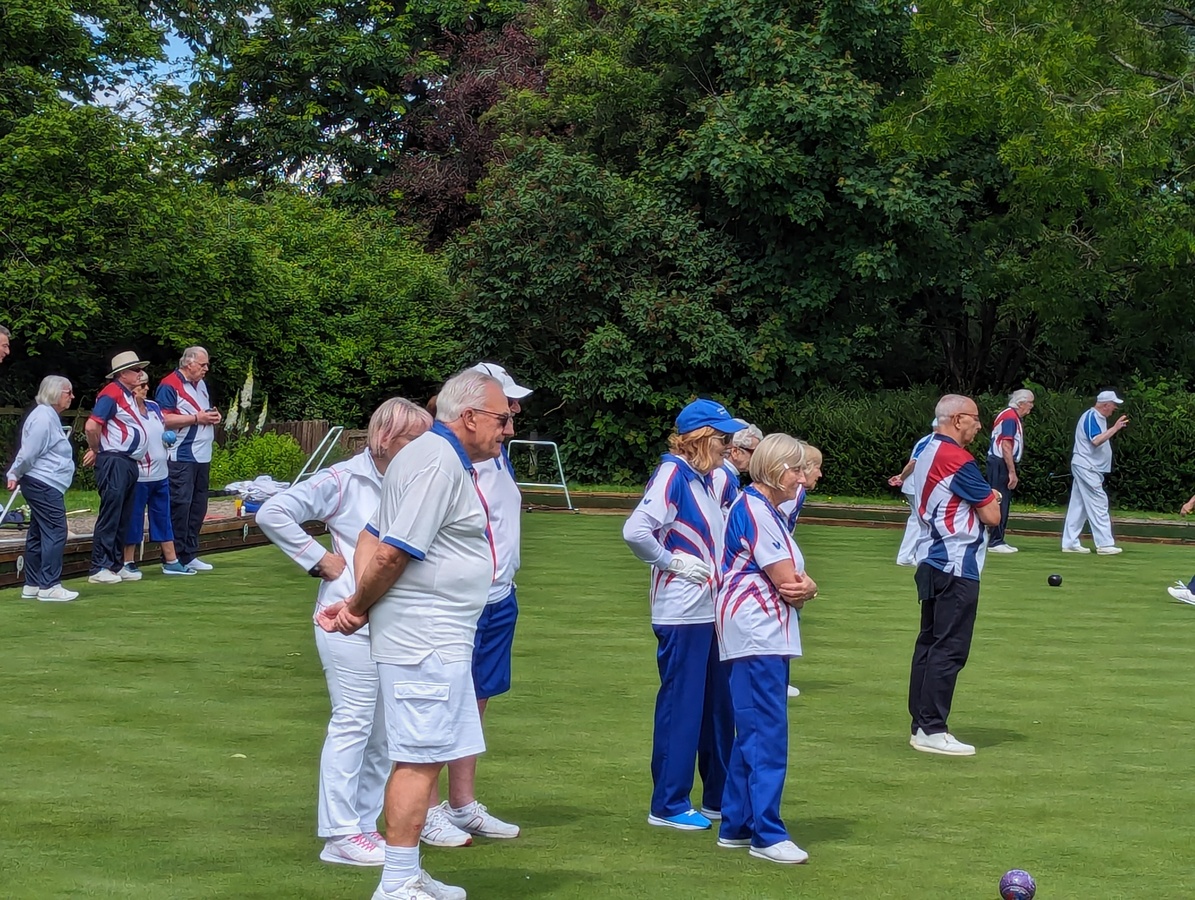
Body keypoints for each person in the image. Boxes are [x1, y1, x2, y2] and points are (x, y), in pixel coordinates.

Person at [318, 368, 513, 900]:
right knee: (418, 759)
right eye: (502, 417)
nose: (509, 429)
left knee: (423, 756)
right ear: (469, 416)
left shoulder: (432, 457)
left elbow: (370, 533)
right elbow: (390, 550)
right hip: (425, 639)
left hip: (435, 637)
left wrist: (355, 605)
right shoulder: (435, 462)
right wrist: (356, 608)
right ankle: (397, 880)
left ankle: (406, 869)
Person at [258, 398, 433, 869]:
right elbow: (273, 512)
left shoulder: (416, 482)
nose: (422, 448)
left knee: (381, 731)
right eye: (412, 439)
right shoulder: (344, 479)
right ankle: (339, 832)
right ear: (383, 438)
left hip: (394, 623)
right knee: (354, 721)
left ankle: (363, 825)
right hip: (343, 620)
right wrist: (316, 558)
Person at [622, 399, 745, 831]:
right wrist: (670, 562)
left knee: (718, 706)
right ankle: (668, 803)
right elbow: (635, 530)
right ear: (701, 438)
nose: (730, 447)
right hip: (681, 609)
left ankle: (717, 795)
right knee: (683, 705)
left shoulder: (708, 478)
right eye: (723, 438)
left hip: (708, 607)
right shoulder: (673, 473)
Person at [420, 362, 529, 849]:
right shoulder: (447, 457)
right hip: (459, 600)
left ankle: (461, 804)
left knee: (475, 701)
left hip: (499, 594)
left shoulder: (495, 450)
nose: (514, 413)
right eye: (506, 406)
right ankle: (423, 809)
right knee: (442, 702)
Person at [715, 434, 820, 865]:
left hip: (760, 629)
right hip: (757, 629)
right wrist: (807, 585)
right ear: (777, 473)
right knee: (767, 733)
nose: (802, 477)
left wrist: (803, 582)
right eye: (796, 469)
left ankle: (737, 824)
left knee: (752, 731)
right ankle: (766, 833)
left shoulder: (764, 508)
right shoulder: (756, 509)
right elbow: (789, 581)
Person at [907, 394, 1001, 757]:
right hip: (956, 562)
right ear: (959, 419)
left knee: (928, 644)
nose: (979, 425)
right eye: (975, 419)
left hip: (931, 557)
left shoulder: (928, 448)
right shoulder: (956, 458)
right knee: (949, 647)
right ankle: (932, 727)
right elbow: (992, 515)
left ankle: (921, 723)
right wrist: (989, 497)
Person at [6, 376, 78, 601]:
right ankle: (49, 585)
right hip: (43, 483)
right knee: (57, 531)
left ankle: (33, 583)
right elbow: (28, 452)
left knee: (39, 532)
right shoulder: (43, 418)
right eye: (69, 392)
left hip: (45, 483)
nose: (72, 397)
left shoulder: (49, 416)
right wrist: (14, 472)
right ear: (56, 393)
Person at [84, 352, 150, 584]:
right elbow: (92, 425)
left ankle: (114, 564)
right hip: (115, 460)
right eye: (135, 369)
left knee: (125, 513)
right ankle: (99, 566)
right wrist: (97, 449)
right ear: (123, 373)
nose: (140, 373)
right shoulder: (111, 392)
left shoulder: (127, 395)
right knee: (112, 512)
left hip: (128, 461)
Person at [121, 371, 196, 576]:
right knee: (134, 518)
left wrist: (166, 439)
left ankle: (171, 561)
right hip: (138, 474)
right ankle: (127, 561)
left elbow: (159, 430)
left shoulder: (153, 407)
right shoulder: (125, 410)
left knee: (163, 517)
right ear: (131, 388)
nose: (146, 389)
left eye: (147, 385)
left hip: (161, 472)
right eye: (142, 385)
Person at [156, 347, 222, 571]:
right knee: (180, 506)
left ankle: (190, 553)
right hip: (181, 454)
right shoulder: (169, 385)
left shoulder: (201, 385)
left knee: (198, 506)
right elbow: (162, 419)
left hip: (203, 454)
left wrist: (212, 415)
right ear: (188, 364)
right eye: (202, 365)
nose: (206, 369)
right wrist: (197, 418)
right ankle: (172, 558)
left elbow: (202, 411)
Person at [1061, 390, 1128, 555]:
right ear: (1105, 405)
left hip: (1088, 466)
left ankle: (1070, 543)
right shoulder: (1092, 417)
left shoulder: (1098, 418)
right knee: (1099, 502)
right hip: (1087, 466)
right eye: (1113, 405)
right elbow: (1096, 440)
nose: (1114, 409)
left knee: (1079, 505)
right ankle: (1104, 544)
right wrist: (1115, 428)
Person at [986, 390, 1034, 553]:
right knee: (1000, 500)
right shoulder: (1010, 417)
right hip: (1000, 463)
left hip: (1000, 462)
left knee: (1002, 500)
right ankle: (995, 540)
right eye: (1030, 402)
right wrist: (1012, 471)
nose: (1031, 407)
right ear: (1021, 403)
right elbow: (1007, 445)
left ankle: (997, 538)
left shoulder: (1011, 417)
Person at [889, 419, 939, 567]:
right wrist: (901, 477)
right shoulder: (931, 440)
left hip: (917, 485)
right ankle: (906, 557)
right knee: (919, 520)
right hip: (915, 485)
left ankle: (911, 555)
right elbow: (914, 462)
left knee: (919, 519)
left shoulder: (930, 440)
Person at [709, 422, 762, 513]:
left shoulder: (728, 475)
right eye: (754, 453)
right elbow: (710, 514)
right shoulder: (721, 477)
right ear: (735, 452)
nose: (757, 458)